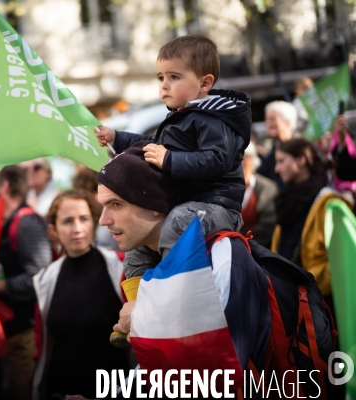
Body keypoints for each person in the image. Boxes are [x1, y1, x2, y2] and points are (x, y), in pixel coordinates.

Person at [95, 142, 271, 378]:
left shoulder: (221, 258)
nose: (103, 220)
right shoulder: (146, 257)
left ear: (153, 203)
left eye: (116, 204)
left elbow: (213, 375)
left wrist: (143, 318)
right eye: (103, 206)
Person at [95, 35, 249, 289]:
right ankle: (136, 304)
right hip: (188, 204)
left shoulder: (215, 118)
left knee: (176, 223)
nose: (164, 85)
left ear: (205, 83)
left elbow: (217, 160)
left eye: (174, 77)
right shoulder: (179, 119)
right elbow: (149, 144)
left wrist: (169, 159)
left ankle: (170, 291)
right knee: (137, 246)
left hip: (217, 206)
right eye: (160, 78)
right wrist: (118, 138)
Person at [32, 189, 129, 400]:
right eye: (67, 221)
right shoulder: (45, 279)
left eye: (83, 219)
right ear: (53, 229)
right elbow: (43, 345)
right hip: (59, 391)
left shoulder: (120, 267)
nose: (77, 228)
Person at [0, 165, 53, 400]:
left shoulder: (26, 223)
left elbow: (39, 278)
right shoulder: (1, 222)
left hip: (26, 335)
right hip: (8, 335)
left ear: (4, 186)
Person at [272, 138, 351, 309]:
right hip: (290, 300)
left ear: (301, 160)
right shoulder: (286, 201)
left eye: (281, 161)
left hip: (321, 304)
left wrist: (310, 285)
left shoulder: (329, 203)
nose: (276, 169)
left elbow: (343, 259)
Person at [240, 143, 278, 248]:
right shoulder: (224, 188)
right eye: (236, 159)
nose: (240, 163)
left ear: (253, 161)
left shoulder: (269, 188)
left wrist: (238, 236)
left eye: (244, 158)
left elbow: (268, 226)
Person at [257, 100, 298, 188]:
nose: (268, 123)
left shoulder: (300, 147)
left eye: (272, 119)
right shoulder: (272, 149)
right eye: (266, 119)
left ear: (287, 123)